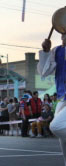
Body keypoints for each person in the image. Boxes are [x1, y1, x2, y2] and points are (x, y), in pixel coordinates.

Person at [38, 34, 66, 165]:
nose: (63, 37)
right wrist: (45, 52)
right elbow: (44, 72)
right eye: (63, 35)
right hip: (62, 98)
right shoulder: (57, 50)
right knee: (63, 143)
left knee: (56, 126)